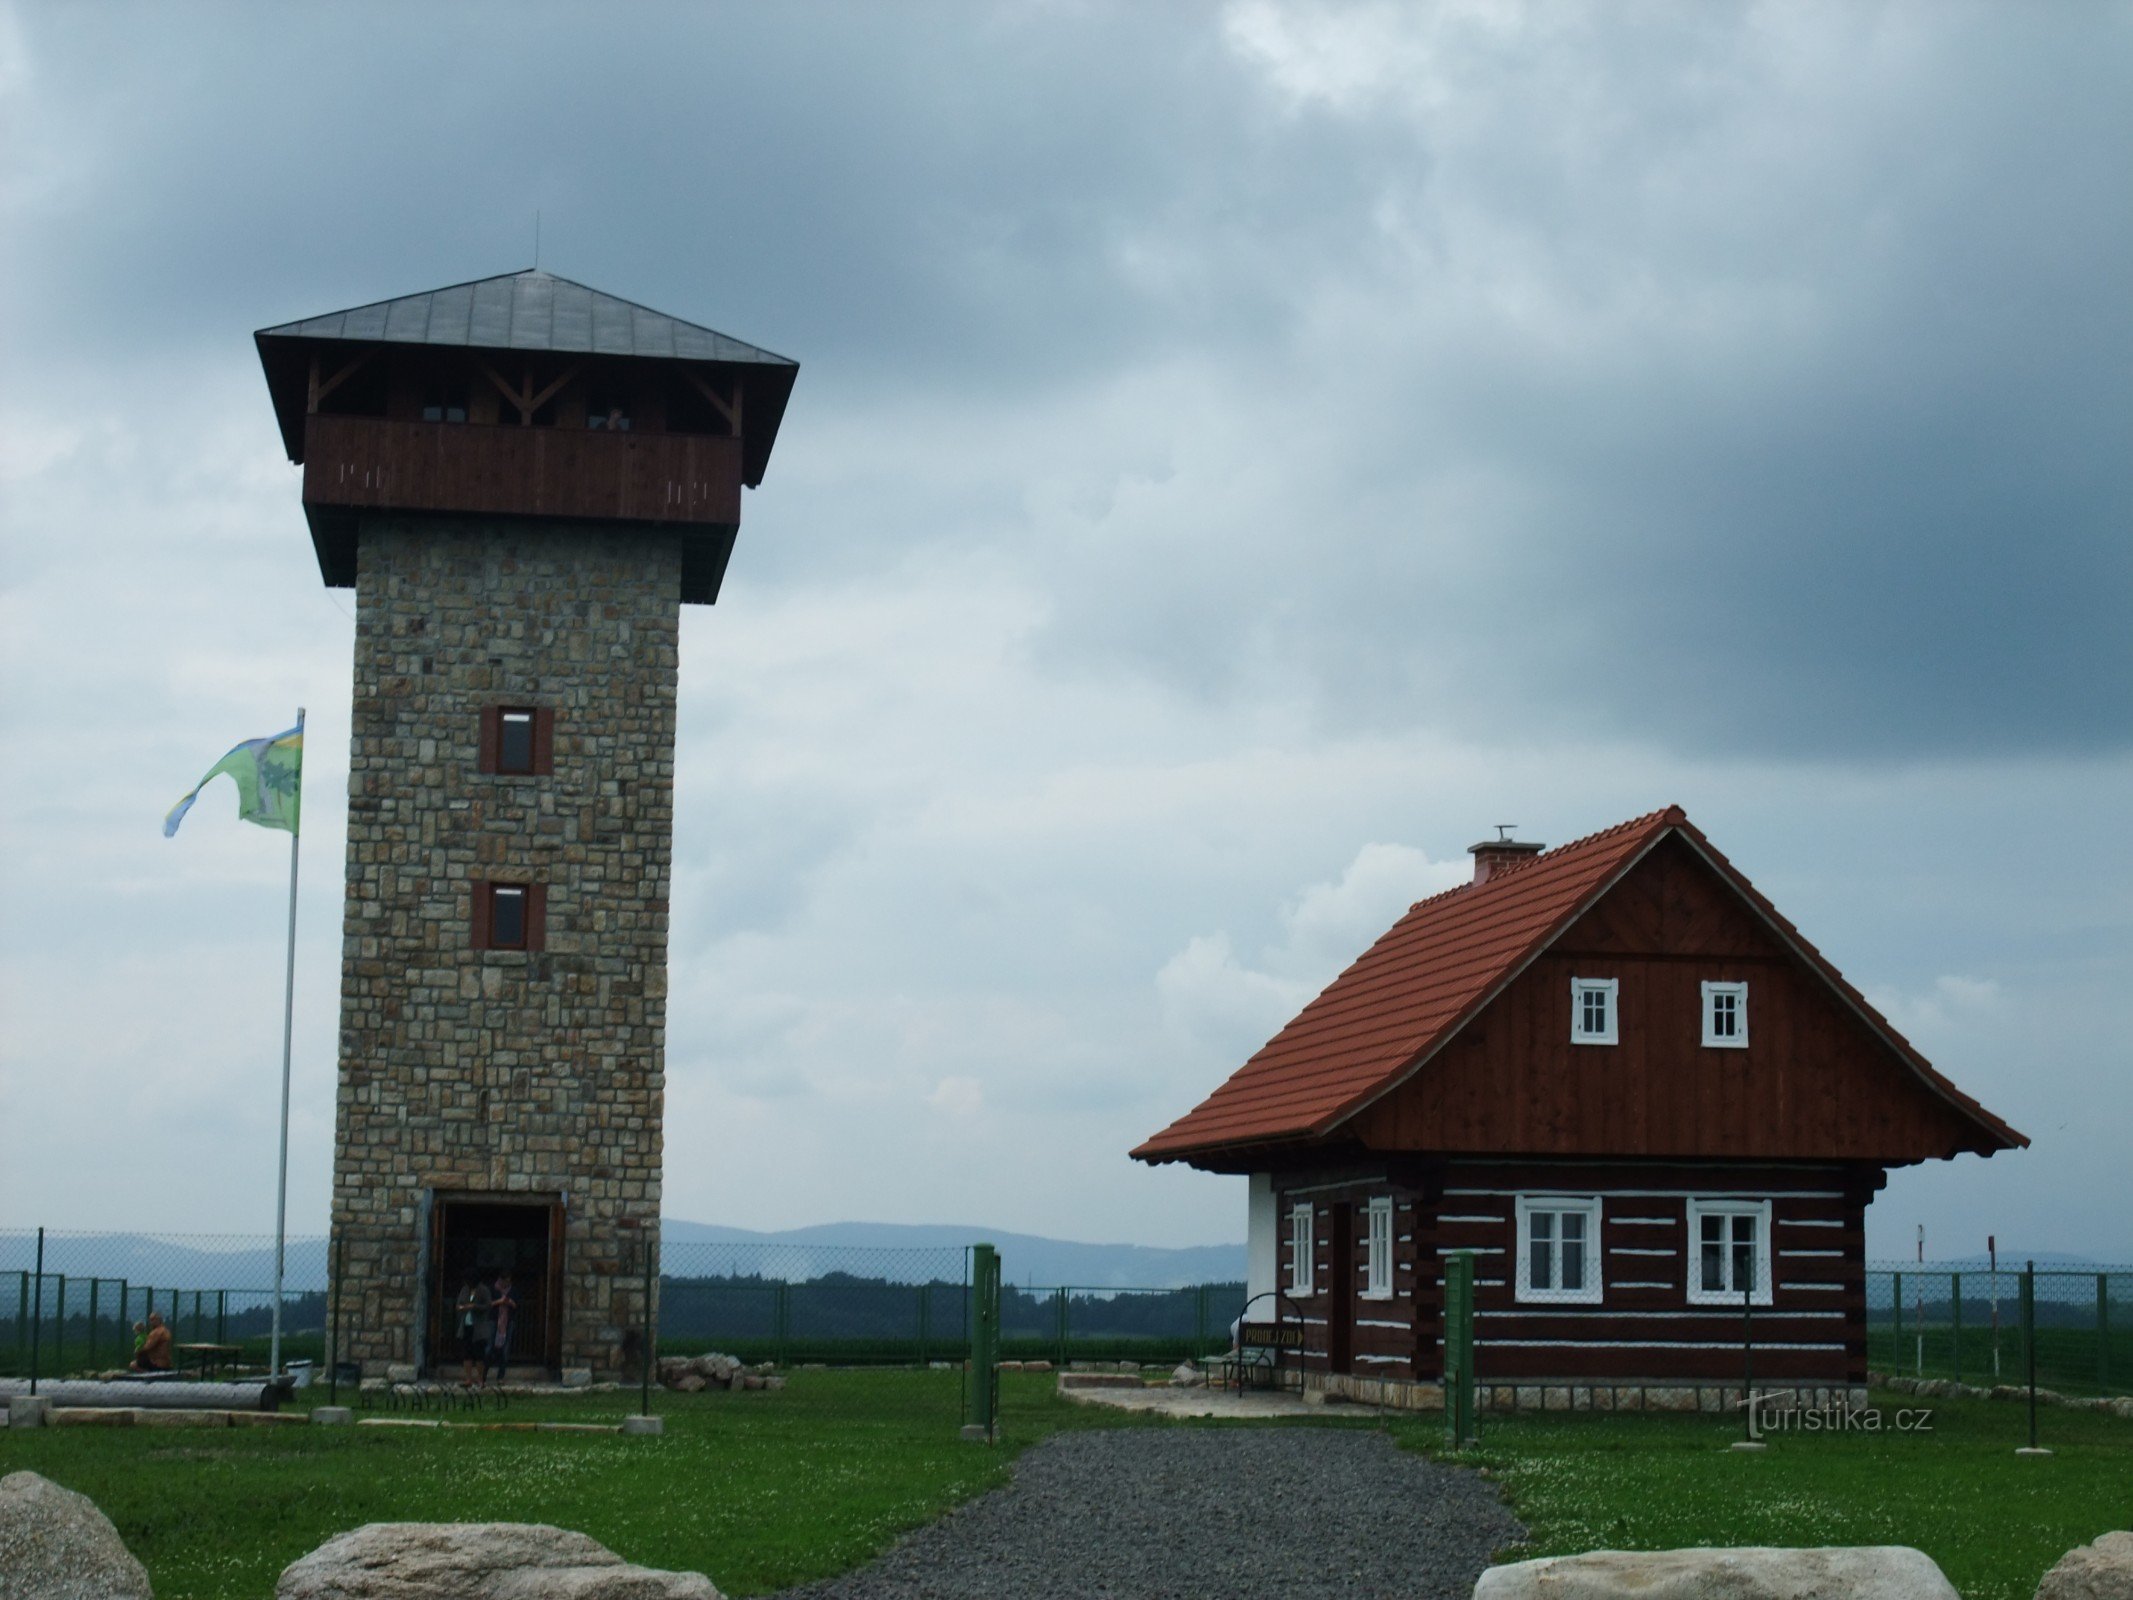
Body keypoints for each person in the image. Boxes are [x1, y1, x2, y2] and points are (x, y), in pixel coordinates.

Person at [454, 1274, 494, 1386]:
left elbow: (488, 1305)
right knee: (467, 1353)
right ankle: (468, 1379)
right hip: (466, 1325)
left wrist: (474, 1307)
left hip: (479, 1327)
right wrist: (461, 1307)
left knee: (479, 1354)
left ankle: (480, 1379)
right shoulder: (464, 1290)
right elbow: (459, 1303)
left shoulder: (484, 1290)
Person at [488, 1272, 518, 1385]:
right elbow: (488, 1304)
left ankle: (501, 1375)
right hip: (493, 1320)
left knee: (505, 1349)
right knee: (489, 1346)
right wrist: (499, 1302)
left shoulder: (513, 1290)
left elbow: (516, 1305)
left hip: (508, 1322)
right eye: (506, 1280)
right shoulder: (493, 1289)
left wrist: (510, 1303)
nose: (508, 1283)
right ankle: (484, 1374)